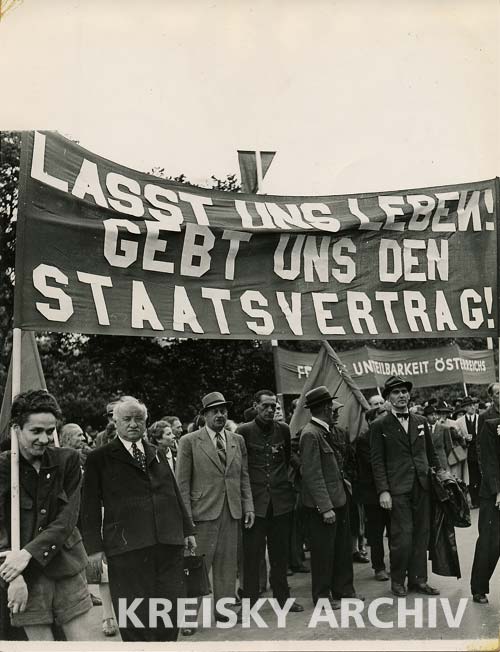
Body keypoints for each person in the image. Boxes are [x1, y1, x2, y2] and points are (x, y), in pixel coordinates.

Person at [81, 396, 196, 642]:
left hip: (167, 544)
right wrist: (93, 549)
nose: (133, 424)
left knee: (168, 610)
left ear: (146, 422)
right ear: (115, 422)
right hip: (127, 549)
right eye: (127, 419)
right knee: (134, 615)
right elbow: (88, 506)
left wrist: (187, 530)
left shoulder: (157, 452)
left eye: (139, 419)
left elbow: (172, 492)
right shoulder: (99, 458)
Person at [0, 390, 93, 640]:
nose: (45, 439)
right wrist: (14, 576)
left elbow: (67, 519)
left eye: (50, 431)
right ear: (16, 428)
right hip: (25, 577)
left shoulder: (68, 460)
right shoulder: (4, 468)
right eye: (36, 431)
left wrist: (28, 554)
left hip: (66, 565)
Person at [176, 392, 254, 630]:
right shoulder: (189, 441)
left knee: (227, 564)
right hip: (202, 514)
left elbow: (243, 476)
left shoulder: (236, 440)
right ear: (204, 415)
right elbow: (182, 484)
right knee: (197, 567)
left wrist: (248, 505)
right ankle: (188, 619)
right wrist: (186, 520)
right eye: (215, 411)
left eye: (223, 411)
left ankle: (224, 611)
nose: (220, 415)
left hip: (231, 511)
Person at [370, 375, 443, 597]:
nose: (401, 395)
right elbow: (377, 461)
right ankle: (398, 581)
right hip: (397, 489)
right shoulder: (379, 425)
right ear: (388, 398)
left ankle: (419, 580)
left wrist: (440, 475)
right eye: (396, 392)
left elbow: (431, 454)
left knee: (422, 533)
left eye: (404, 391)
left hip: (422, 486)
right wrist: (383, 490)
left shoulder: (420, 421)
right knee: (402, 537)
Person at [236, 390, 303, 612]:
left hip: (280, 502)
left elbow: (284, 460)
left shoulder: (283, 430)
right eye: (265, 406)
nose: (270, 410)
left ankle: (283, 599)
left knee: (280, 554)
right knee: (252, 554)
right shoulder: (243, 431)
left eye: (273, 406)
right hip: (255, 505)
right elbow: (240, 467)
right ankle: (250, 602)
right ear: (255, 406)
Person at [299, 386, 361, 607]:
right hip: (325, 505)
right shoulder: (310, 434)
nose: (335, 411)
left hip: (339, 498)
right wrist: (325, 508)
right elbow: (312, 475)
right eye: (332, 407)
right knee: (324, 553)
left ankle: (343, 590)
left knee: (342, 549)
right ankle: (323, 596)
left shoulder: (323, 431)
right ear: (326, 408)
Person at [356, 407, 391, 581]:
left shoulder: (390, 435)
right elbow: (374, 464)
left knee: (394, 531)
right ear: (370, 422)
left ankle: (397, 565)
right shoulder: (364, 440)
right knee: (376, 533)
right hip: (372, 494)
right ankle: (379, 567)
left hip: (392, 491)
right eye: (380, 419)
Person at [470, 417, 500, 604]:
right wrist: (498, 491)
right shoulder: (491, 426)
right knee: (490, 543)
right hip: (494, 494)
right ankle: (479, 588)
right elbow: (489, 461)